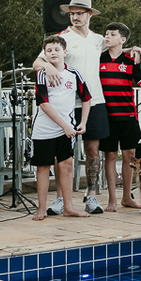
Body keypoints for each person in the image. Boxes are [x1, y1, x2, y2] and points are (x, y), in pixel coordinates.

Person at [34, 0, 110, 215]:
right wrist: (46, 66)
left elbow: (113, 50)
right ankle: (60, 199)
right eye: (72, 13)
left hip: (93, 100)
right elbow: (37, 61)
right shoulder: (62, 38)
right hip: (65, 103)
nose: (75, 17)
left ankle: (91, 195)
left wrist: (133, 51)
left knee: (93, 150)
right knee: (62, 155)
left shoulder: (98, 40)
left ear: (89, 14)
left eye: (79, 13)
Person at [30, 35, 92, 221]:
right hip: (44, 130)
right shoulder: (42, 74)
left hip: (67, 129)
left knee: (66, 166)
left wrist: (83, 122)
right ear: (45, 54)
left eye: (56, 49)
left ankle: (69, 207)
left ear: (65, 52)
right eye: (49, 50)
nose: (53, 53)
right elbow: (43, 103)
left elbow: (86, 98)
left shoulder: (74, 74)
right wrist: (65, 126)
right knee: (43, 167)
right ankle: (41, 208)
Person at [98, 22, 141, 212]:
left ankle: (126, 197)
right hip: (107, 117)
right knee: (110, 156)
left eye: (111, 34)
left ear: (122, 39)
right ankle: (112, 200)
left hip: (128, 117)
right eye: (106, 34)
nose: (107, 37)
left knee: (130, 158)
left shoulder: (130, 62)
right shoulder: (99, 58)